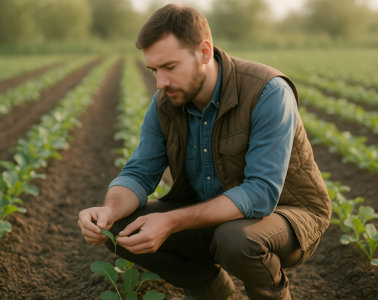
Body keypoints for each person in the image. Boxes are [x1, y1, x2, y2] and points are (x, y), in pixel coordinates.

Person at [77, 4, 331, 300]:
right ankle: (210, 288)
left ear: (205, 52)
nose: (161, 83)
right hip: (213, 212)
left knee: (235, 239)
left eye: (170, 67)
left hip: (288, 215)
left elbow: (261, 193)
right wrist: (108, 211)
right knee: (123, 228)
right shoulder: (164, 103)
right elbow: (138, 173)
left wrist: (172, 221)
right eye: (154, 70)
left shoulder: (267, 91)